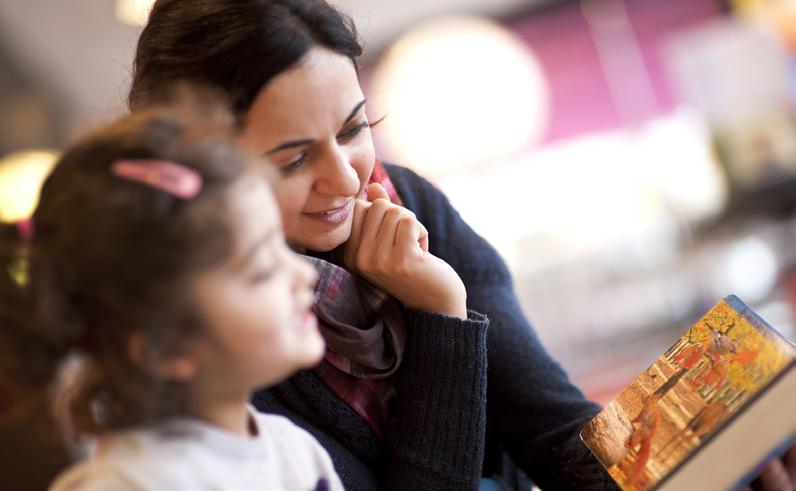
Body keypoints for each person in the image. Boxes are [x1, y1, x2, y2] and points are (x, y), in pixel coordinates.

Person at [127, 1, 796, 490]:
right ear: (199, 172)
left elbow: (558, 435)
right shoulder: (202, 339)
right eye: (292, 160)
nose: (345, 178)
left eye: (356, 127)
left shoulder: (407, 199)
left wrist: (719, 452)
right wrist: (442, 314)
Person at [0, 101, 345, 490]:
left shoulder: (295, 451)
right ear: (165, 349)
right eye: (262, 269)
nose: (303, 274)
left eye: (281, 246)